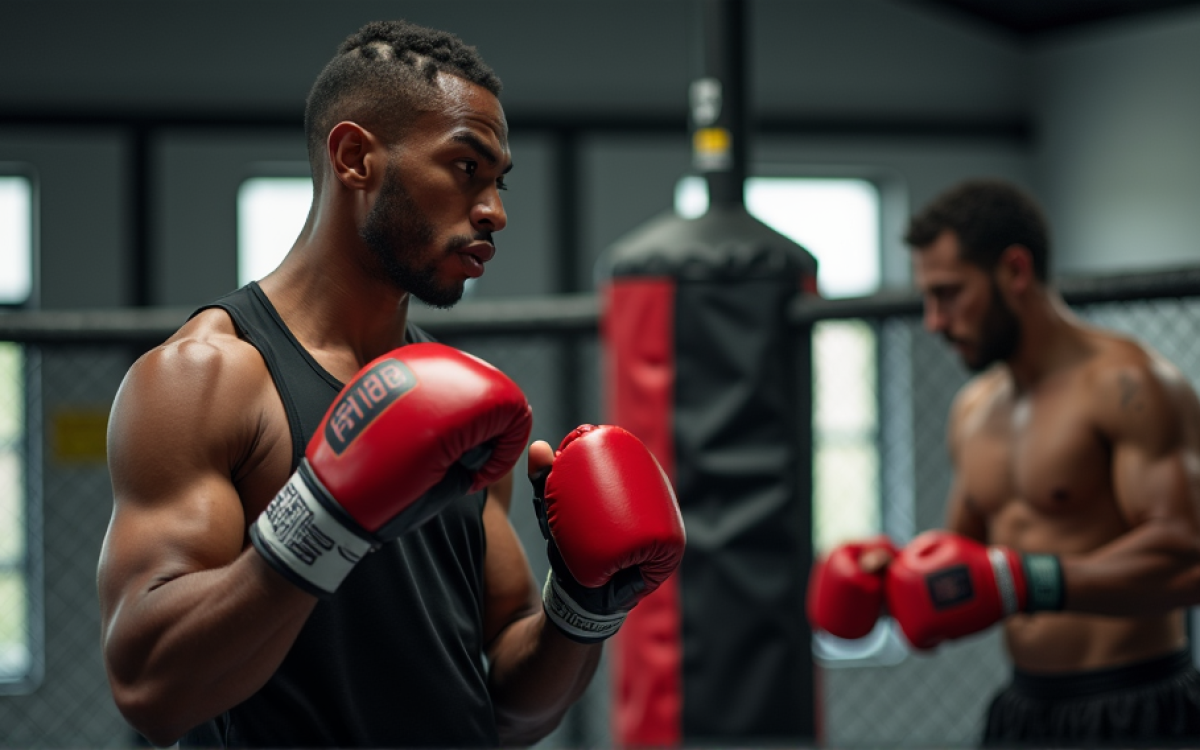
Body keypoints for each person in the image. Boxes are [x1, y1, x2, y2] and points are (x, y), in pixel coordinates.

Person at [97, 20, 685, 748]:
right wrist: (325, 518)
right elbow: (150, 688)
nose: (495, 212)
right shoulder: (208, 379)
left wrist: (580, 609)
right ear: (354, 158)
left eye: (499, 182)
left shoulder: (461, 410)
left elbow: (508, 707)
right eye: (466, 168)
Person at [807, 178, 1200, 747]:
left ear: (1015, 272)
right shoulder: (973, 410)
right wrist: (884, 578)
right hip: (1024, 711)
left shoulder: (1129, 385)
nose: (934, 321)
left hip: (1136, 708)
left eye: (949, 294)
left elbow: (1187, 553)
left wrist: (1029, 581)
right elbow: (964, 563)